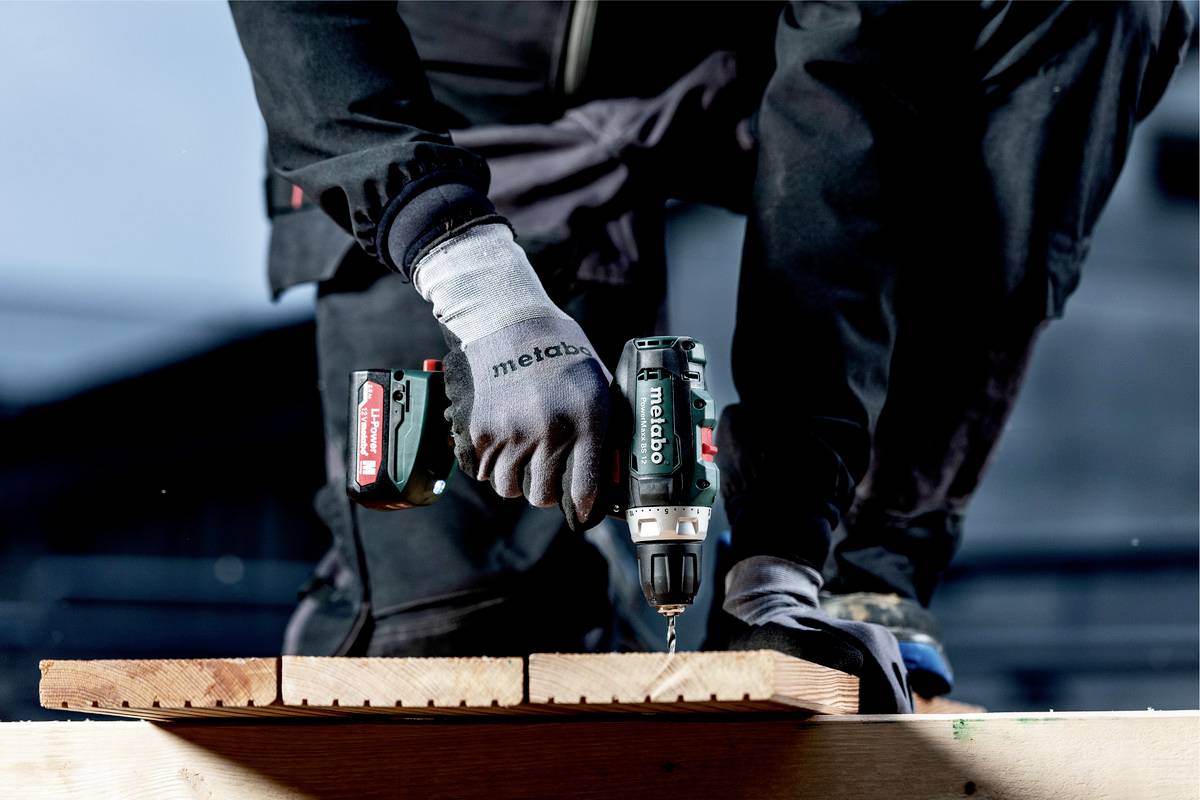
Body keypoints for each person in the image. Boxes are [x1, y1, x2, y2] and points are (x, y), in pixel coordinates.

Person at [230, 1, 1193, 712]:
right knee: (449, 652)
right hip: (458, 117)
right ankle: (431, 587)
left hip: (741, 65)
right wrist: (481, 286)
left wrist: (787, 550)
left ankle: (867, 568)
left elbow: (840, 108)